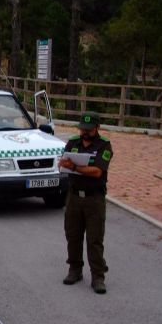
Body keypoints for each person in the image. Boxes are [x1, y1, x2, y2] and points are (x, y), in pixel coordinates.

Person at [58, 112, 113, 294]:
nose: (85, 132)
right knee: (72, 235)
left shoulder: (104, 145)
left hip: (94, 199)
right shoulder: (73, 142)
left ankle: (98, 276)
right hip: (74, 197)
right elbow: (63, 162)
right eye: (82, 129)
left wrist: (75, 167)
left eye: (88, 130)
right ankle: (75, 270)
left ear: (97, 128)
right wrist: (64, 163)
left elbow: (97, 171)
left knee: (94, 239)